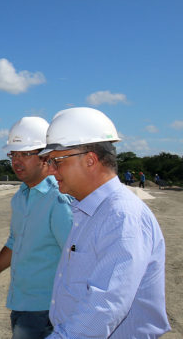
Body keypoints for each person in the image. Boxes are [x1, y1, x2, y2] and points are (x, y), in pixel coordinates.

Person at [39, 107, 169, 338]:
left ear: (90, 160)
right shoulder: (89, 210)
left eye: (56, 161)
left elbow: (103, 308)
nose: (50, 170)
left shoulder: (120, 216)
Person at [0, 116, 72, 339]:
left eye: (25, 153)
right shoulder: (21, 197)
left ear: (45, 156)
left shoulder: (59, 200)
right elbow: (15, 243)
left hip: (47, 310)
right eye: (13, 154)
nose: (16, 161)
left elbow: (77, 258)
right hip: (22, 304)